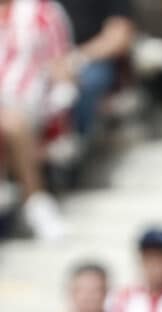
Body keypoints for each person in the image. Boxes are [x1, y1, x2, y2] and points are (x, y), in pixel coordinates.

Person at [0, 0, 74, 240]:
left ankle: (36, 202)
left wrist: (63, 93)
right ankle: (34, 201)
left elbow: (58, 60)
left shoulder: (43, 11)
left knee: (12, 121)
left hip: (28, 101)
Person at [53, 0, 135, 137]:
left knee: (85, 85)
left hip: (94, 60)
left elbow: (120, 36)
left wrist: (77, 58)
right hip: (49, 57)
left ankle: (77, 139)